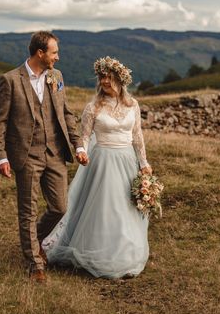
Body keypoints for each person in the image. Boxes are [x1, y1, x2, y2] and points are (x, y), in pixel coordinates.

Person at [0, 31, 88, 284]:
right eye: (54, 52)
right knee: (28, 210)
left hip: (55, 153)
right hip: (26, 155)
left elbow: (66, 113)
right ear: (40, 53)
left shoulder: (56, 77)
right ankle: (34, 263)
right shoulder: (10, 80)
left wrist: (77, 145)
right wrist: (1, 158)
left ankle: (31, 241)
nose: (58, 57)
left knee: (60, 207)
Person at [42, 56, 152, 279]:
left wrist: (143, 163)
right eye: (102, 78)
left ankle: (124, 251)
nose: (104, 82)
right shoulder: (93, 107)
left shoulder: (133, 105)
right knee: (105, 207)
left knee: (126, 206)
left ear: (120, 81)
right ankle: (96, 251)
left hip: (127, 161)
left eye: (109, 78)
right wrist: (81, 151)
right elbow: (83, 136)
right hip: (103, 161)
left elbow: (137, 136)